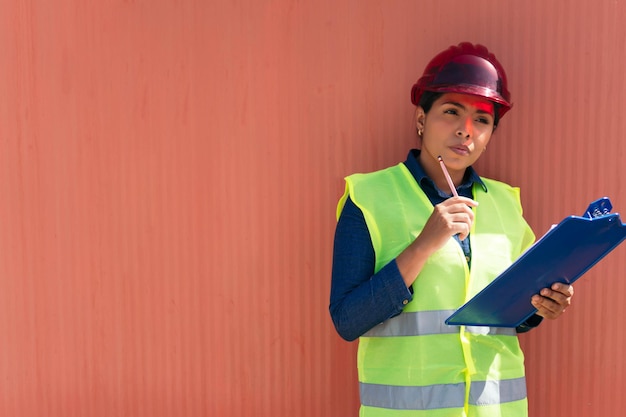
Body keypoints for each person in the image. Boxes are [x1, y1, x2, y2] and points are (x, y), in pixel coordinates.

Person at [329, 42, 574, 417]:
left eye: (482, 119)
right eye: (451, 112)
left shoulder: (506, 204)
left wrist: (541, 307)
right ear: (421, 118)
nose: (466, 130)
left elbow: (511, 318)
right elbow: (348, 320)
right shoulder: (368, 197)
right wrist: (423, 246)